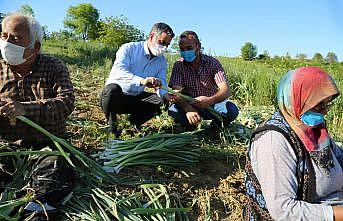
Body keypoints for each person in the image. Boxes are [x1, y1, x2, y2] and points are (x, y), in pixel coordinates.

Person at [0, 13, 75, 219]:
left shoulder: (54, 67)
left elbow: (66, 103)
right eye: (4, 36)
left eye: (15, 38)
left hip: (48, 146)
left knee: (53, 172)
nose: (6, 43)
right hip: (10, 147)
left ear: (36, 47)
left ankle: (37, 209)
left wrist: (25, 109)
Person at [244, 67, 343, 220]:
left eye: (327, 104)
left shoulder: (314, 129)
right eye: (318, 105)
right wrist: (337, 214)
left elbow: (339, 159)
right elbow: (284, 211)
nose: (325, 112)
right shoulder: (273, 141)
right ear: (295, 100)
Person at [99, 22, 174, 135]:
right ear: (151, 36)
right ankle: (112, 129)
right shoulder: (129, 49)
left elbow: (161, 80)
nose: (164, 48)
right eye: (162, 42)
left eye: (167, 45)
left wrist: (165, 94)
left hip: (135, 97)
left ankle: (131, 124)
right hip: (117, 97)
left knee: (163, 101)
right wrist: (142, 81)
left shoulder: (161, 60)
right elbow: (119, 72)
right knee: (111, 90)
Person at [168, 30, 238, 131]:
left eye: (189, 48)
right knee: (173, 110)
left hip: (211, 103)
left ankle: (216, 127)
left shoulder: (212, 63)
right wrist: (188, 108)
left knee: (232, 110)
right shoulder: (179, 65)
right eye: (182, 49)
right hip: (189, 103)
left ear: (198, 46)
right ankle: (190, 126)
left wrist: (209, 100)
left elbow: (226, 91)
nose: (185, 52)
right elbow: (176, 92)